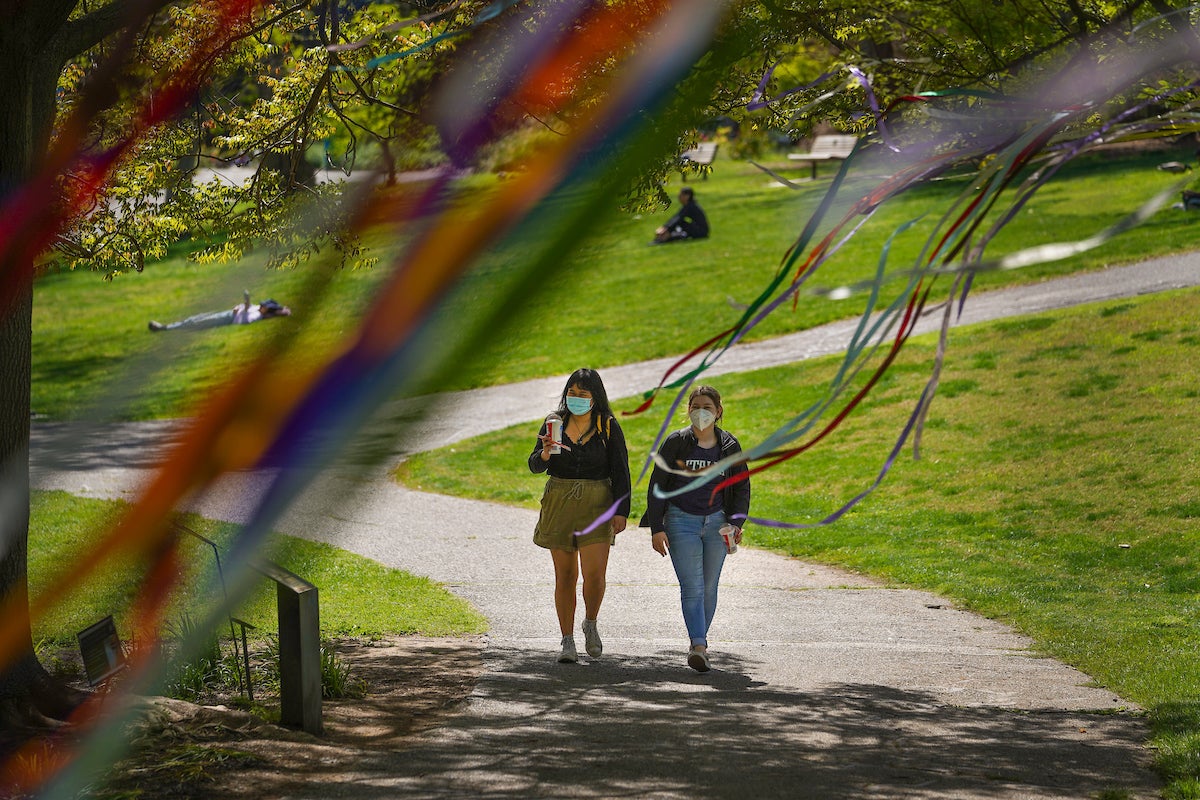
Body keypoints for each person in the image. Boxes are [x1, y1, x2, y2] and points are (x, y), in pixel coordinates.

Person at [641, 385, 749, 672]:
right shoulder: (676, 442)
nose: (701, 412)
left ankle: (698, 643)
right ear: (688, 409)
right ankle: (698, 645)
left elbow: (741, 488)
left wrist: (736, 522)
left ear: (718, 411)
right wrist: (656, 528)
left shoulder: (729, 446)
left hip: (717, 524)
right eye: (696, 406)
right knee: (692, 587)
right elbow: (657, 486)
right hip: (680, 522)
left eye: (708, 407)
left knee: (709, 586)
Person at [529, 368, 632, 664]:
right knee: (565, 575)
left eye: (583, 395)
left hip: (597, 502)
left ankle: (590, 622)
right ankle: (567, 640)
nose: (576, 399)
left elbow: (620, 470)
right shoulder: (554, 422)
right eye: (572, 393)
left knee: (595, 575)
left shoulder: (607, 425)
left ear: (595, 397)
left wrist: (621, 511)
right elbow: (534, 464)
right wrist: (546, 453)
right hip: (559, 500)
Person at [149, 291, 291, 331]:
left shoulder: (257, 315)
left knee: (197, 322)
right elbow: (243, 308)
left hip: (227, 319)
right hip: (226, 314)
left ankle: (165, 328)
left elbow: (245, 319)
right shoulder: (256, 309)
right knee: (196, 318)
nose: (262, 306)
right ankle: (170, 327)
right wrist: (240, 306)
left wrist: (244, 306)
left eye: (264, 306)